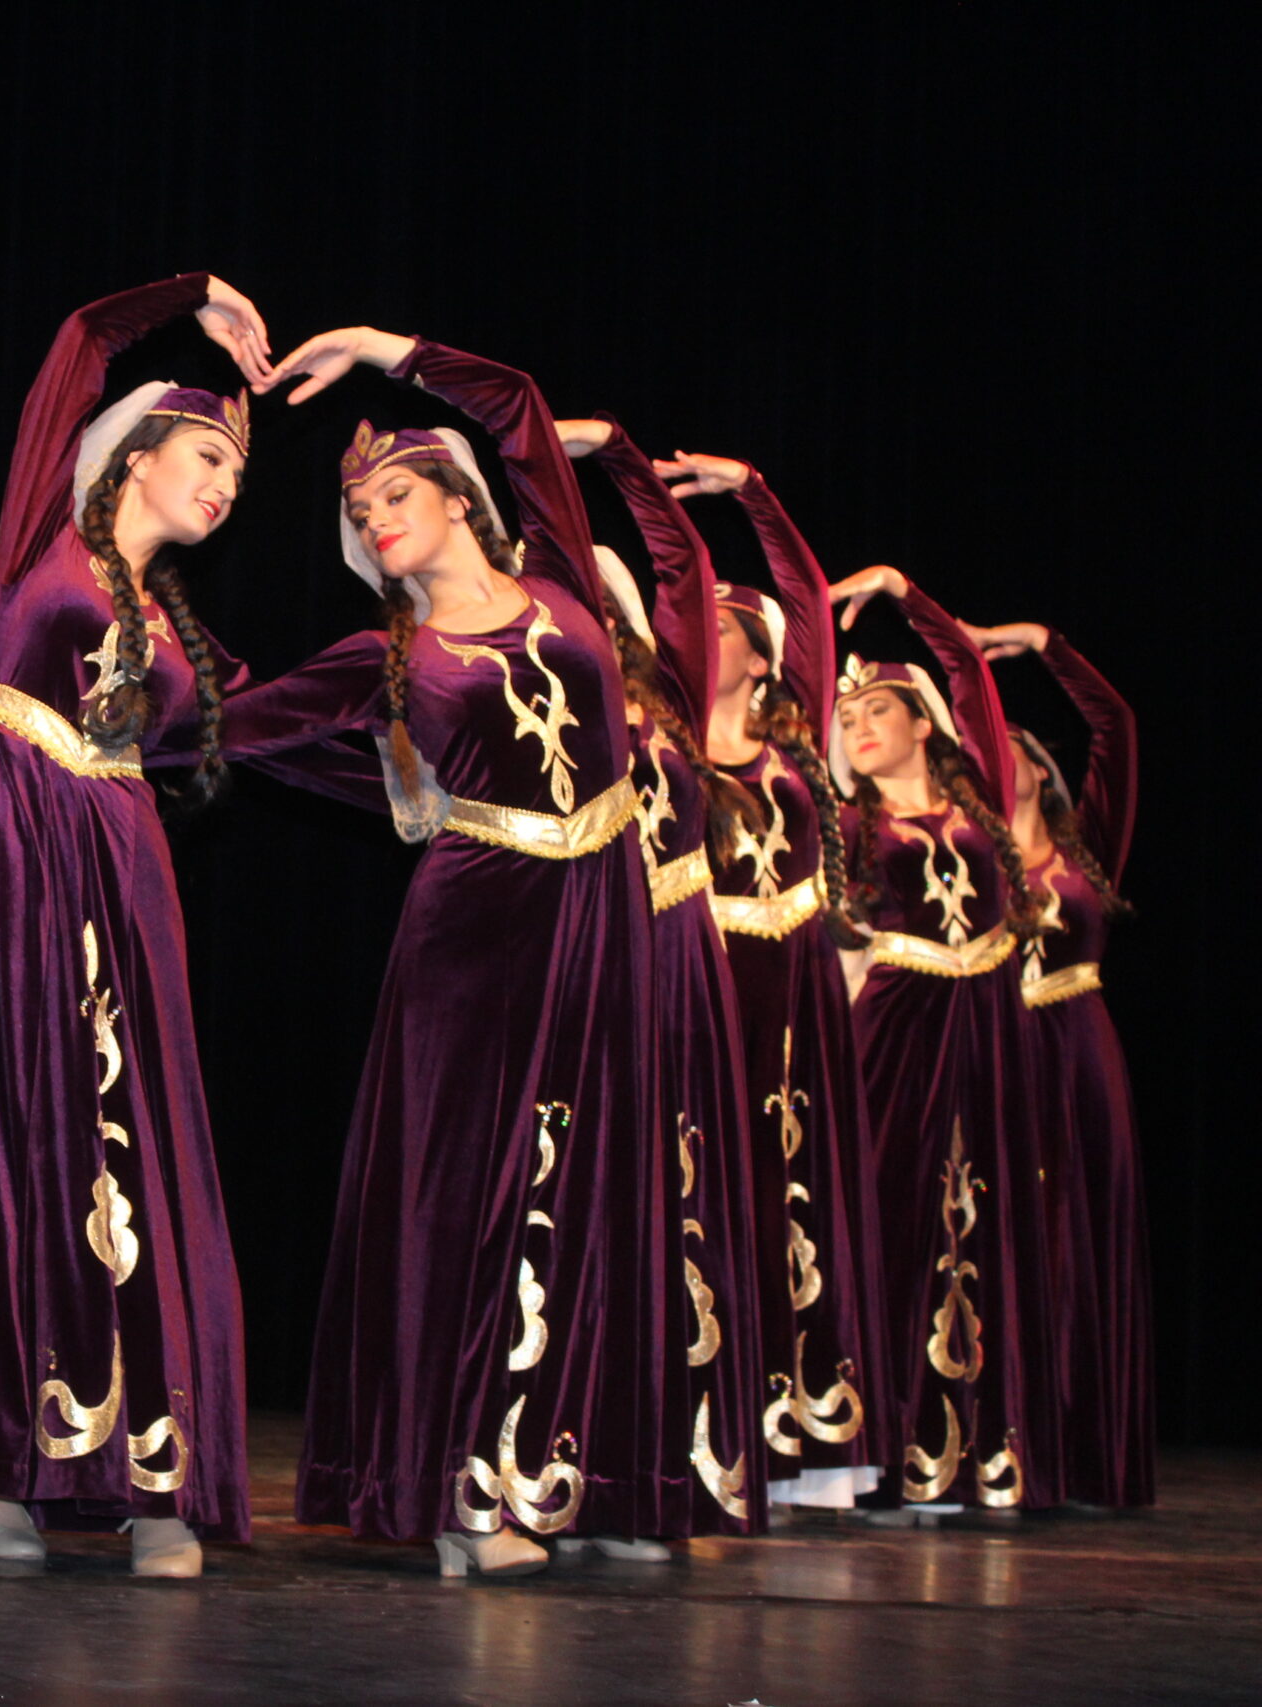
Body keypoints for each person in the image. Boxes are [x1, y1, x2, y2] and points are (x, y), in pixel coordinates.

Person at [194, 323, 672, 1577]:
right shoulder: (385, 655)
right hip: (474, 926)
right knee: (468, 1191)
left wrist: (378, 349)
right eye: (356, 507)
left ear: (460, 498)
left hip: (603, 914)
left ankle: (586, 1474)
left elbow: (514, 400)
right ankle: (464, 1496)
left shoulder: (564, 585)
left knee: (591, 1189)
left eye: (395, 492)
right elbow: (231, 729)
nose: (374, 516)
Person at [0, 274, 276, 1577]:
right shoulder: (45, 528)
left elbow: (290, 721)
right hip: (14, 844)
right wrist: (192, 297)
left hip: (122, 856)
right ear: (137, 449)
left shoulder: (182, 634)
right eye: (208, 452)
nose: (224, 482)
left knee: (135, 1145)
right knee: (14, 1129)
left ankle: (154, 1478)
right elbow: (72, 347)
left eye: (238, 470)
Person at [660, 448, 889, 1513]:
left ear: (758, 657)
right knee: (697, 1199)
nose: (702, 637)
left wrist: (752, 490)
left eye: (725, 628)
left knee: (790, 1197)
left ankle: (805, 1443)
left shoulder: (796, 739)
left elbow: (804, 594)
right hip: (695, 978)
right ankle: (688, 1432)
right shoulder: (657, 732)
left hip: (789, 993)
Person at [563, 415, 769, 1543]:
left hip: (675, 954)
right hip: (580, 956)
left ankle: (660, 1476)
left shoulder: (675, 698)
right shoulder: (536, 675)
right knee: (583, 1209)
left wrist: (617, 461)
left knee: (674, 1214)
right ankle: (571, 1461)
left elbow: (684, 563)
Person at [824, 564, 1062, 1515]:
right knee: (891, 1217)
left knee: (991, 1219)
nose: (859, 725)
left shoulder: (988, 800)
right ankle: (887, 1451)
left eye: (879, 709)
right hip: (896, 1016)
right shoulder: (849, 823)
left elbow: (968, 672)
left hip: (988, 1021)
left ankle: (983, 1453)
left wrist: (902, 593)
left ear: (924, 722)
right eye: (848, 720)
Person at [963, 618, 1150, 1509]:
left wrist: (1044, 646)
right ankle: (1012, 1449)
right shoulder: (970, 853)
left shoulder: (1085, 853)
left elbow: (1115, 724)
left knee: (1084, 1239)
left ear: (1041, 768)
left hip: (1077, 1049)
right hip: (1004, 1051)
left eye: (1016, 751)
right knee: (1011, 1246)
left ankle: (1087, 1452)